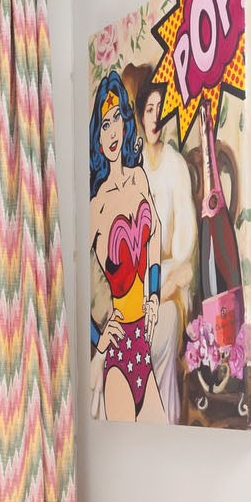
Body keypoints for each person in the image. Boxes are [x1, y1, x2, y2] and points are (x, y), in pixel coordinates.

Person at [87, 68, 166, 423]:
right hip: (118, 355)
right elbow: (70, 281)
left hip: (142, 348)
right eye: (104, 124)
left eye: (116, 118)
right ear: (98, 136)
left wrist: (154, 296)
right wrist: (98, 337)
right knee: (123, 452)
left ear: (125, 123)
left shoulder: (139, 179)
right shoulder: (97, 205)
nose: (111, 131)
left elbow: (156, 232)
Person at [127, 67, 196, 422]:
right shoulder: (133, 168)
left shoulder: (176, 166)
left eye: (160, 110)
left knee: (161, 326)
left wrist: (162, 289)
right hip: (137, 285)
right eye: (149, 109)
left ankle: (165, 421)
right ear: (141, 115)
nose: (154, 117)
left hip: (170, 285)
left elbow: (184, 253)